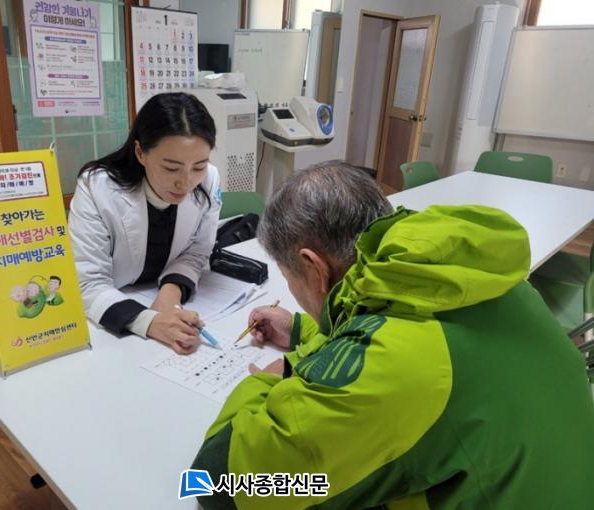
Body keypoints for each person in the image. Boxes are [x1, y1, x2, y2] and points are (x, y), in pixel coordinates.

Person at [191, 161, 594, 509]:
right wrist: (302, 331)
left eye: (288, 278)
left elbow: (216, 485)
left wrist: (274, 376)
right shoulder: (465, 274)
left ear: (313, 269)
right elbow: (387, 321)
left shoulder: (393, 365)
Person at [68, 92, 221, 354]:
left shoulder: (209, 180)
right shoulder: (97, 187)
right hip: (112, 315)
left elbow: (197, 251)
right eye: (171, 168)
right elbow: (87, 283)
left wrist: (170, 293)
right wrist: (149, 322)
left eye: (198, 166)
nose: (185, 183)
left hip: (156, 294)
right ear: (141, 152)